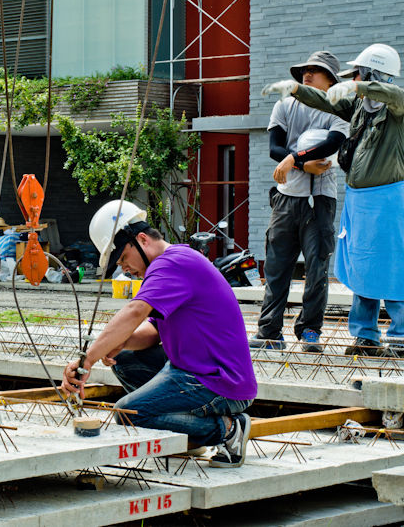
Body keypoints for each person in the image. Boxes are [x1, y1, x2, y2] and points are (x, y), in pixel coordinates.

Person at [62, 201, 257, 468]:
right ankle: (189, 435)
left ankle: (228, 430)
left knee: (129, 413)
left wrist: (87, 360)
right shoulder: (176, 261)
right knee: (128, 358)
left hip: (218, 382)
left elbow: (135, 311)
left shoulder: (172, 264)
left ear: (141, 239)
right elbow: (153, 332)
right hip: (193, 370)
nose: (125, 269)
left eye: (123, 258)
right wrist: (121, 342)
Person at [263, 44, 404, 357]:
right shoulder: (358, 107)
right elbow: (326, 99)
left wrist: (359, 85)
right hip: (360, 199)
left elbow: (395, 96)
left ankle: (400, 336)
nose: (350, 79)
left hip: (388, 200)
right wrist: (297, 90)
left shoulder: (395, 107)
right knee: (361, 268)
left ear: (371, 74)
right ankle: (365, 335)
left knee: (393, 267)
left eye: (357, 73)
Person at [250, 51, 348, 353]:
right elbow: (274, 148)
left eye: (315, 71)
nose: (307, 74)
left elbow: (333, 143)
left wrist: (294, 157)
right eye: (304, 70)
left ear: (331, 79)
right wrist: (302, 164)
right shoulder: (285, 105)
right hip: (285, 198)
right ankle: (269, 331)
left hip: (321, 199)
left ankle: (310, 331)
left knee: (317, 268)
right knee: (278, 267)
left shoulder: (338, 108)